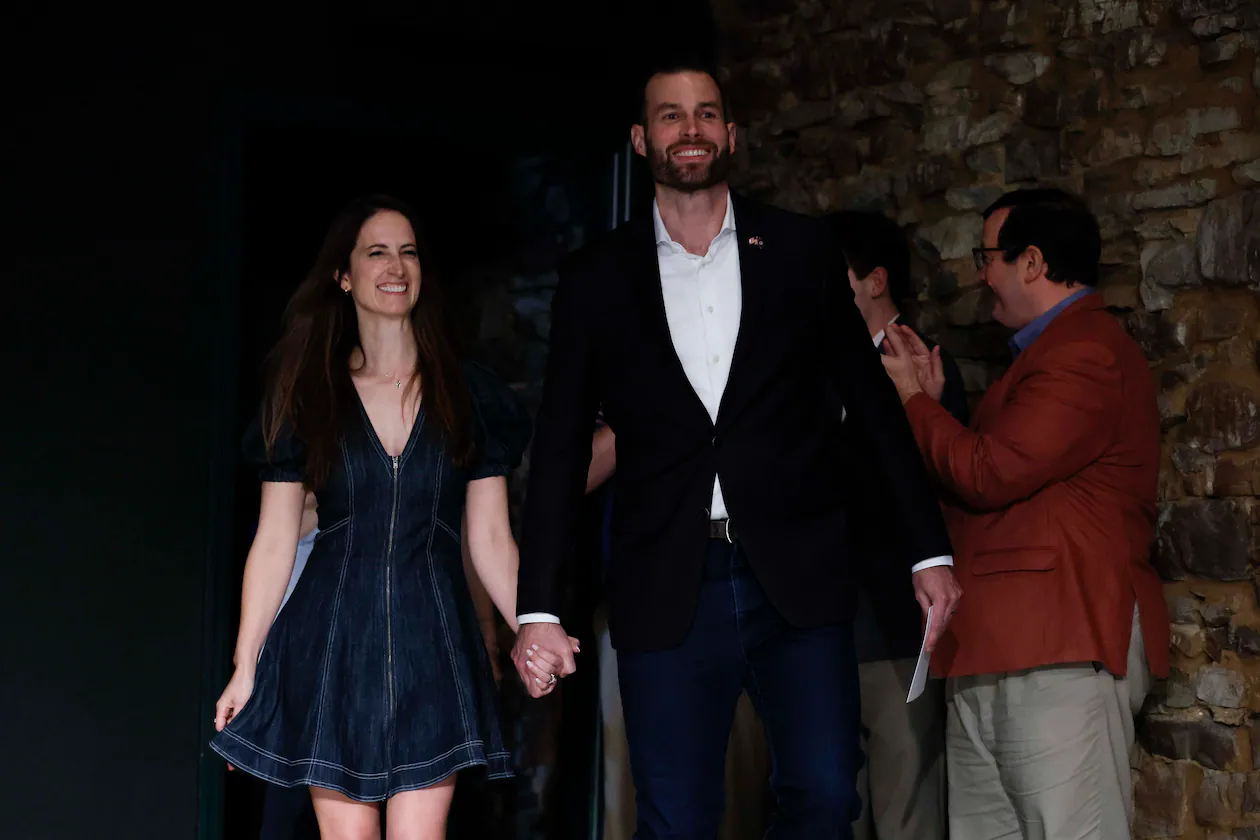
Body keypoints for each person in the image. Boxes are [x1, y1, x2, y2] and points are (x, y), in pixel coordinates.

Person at [511, 63, 961, 839]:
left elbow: (877, 410)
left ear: (731, 134)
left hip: (797, 573)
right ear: (641, 137)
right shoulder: (596, 277)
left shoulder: (799, 248)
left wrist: (928, 551)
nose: (691, 129)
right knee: (676, 817)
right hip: (666, 581)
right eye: (672, 115)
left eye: (707, 113)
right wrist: (539, 609)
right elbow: (558, 449)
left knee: (823, 797)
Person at [210, 194, 544, 840]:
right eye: (377, 252)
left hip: (430, 637)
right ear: (344, 275)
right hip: (329, 641)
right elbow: (276, 541)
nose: (397, 266)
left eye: (409, 252)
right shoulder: (309, 393)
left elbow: (492, 538)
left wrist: (533, 627)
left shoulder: (467, 393)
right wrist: (246, 665)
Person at [880, 187, 1169, 839]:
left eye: (988, 256)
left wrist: (911, 402)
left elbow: (989, 473)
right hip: (1000, 649)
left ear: (1032, 262)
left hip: (1059, 649)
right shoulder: (1039, 359)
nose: (981, 274)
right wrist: (934, 410)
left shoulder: (1085, 351)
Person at [831, 210, 968, 840]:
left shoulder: (924, 370)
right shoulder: (815, 367)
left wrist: (921, 407)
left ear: (874, 280)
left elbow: (944, 485)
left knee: (905, 812)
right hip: (822, 629)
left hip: (894, 628)